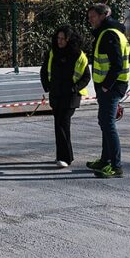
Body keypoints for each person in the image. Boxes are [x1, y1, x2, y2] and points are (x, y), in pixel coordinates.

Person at [85, 3, 130, 178]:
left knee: (108, 124)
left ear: (103, 16)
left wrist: (105, 86)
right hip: (109, 87)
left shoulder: (109, 34)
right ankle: (105, 160)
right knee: (105, 122)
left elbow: (117, 65)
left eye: (93, 16)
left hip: (111, 87)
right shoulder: (108, 32)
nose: (90, 20)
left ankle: (116, 165)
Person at [39, 25, 91, 168]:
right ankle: (62, 156)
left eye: (63, 39)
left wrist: (75, 88)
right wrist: (47, 86)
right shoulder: (53, 53)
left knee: (63, 124)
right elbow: (44, 71)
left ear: (70, 40)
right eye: (58, 38)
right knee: (58, 125)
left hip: (70, 96)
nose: (59, 41)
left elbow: (86, 77)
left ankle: (65, 157)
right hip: (56, 95)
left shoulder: (78, 55)